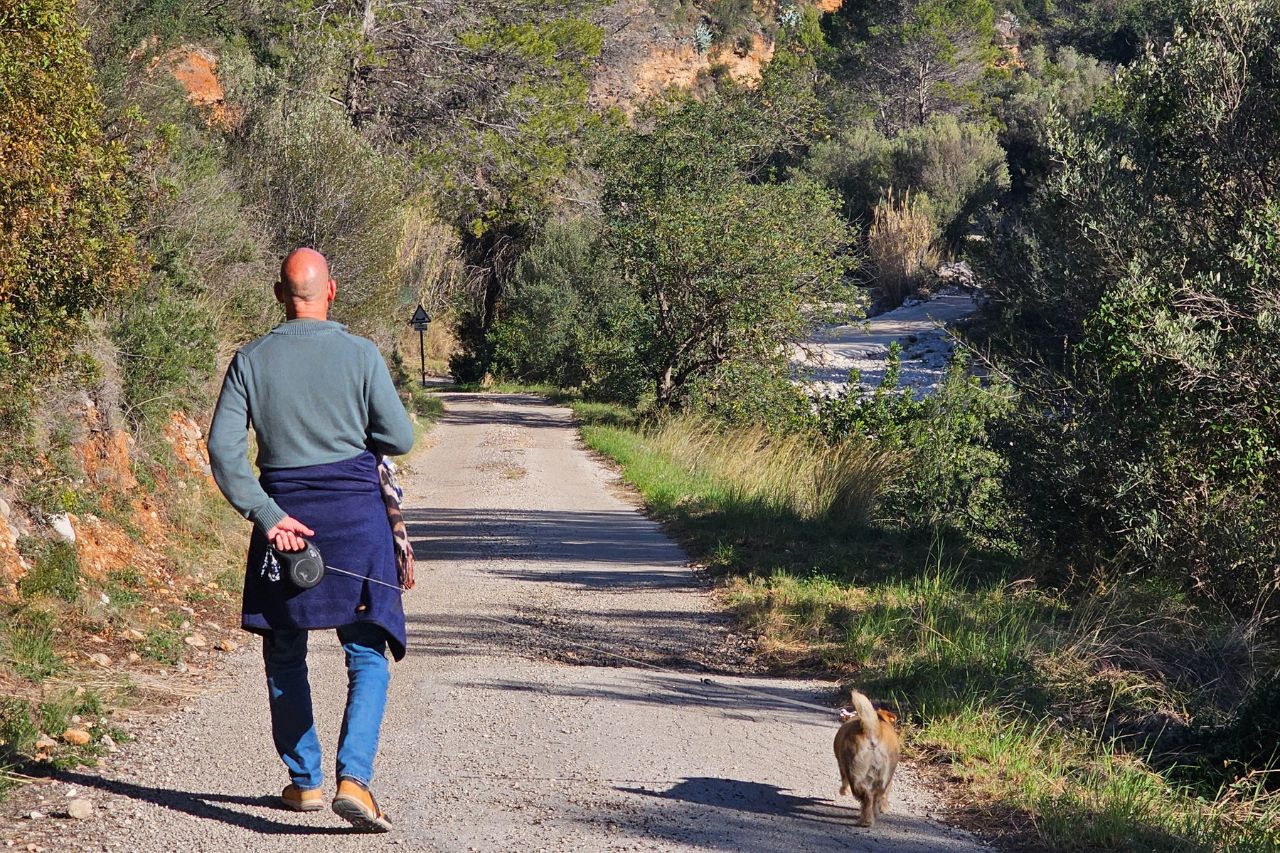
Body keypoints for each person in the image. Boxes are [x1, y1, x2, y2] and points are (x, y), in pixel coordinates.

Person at [206, 247, 415, 832]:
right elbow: (398, 437)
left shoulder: (251, 359)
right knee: (367, 651)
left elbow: (224, 450)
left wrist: (267, 515)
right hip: (357, 519)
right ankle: (356, 780)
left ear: (279, 294)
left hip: (287, 526)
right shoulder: (361, 354)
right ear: (332, 290)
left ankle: (305, 783)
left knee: (283, 650)